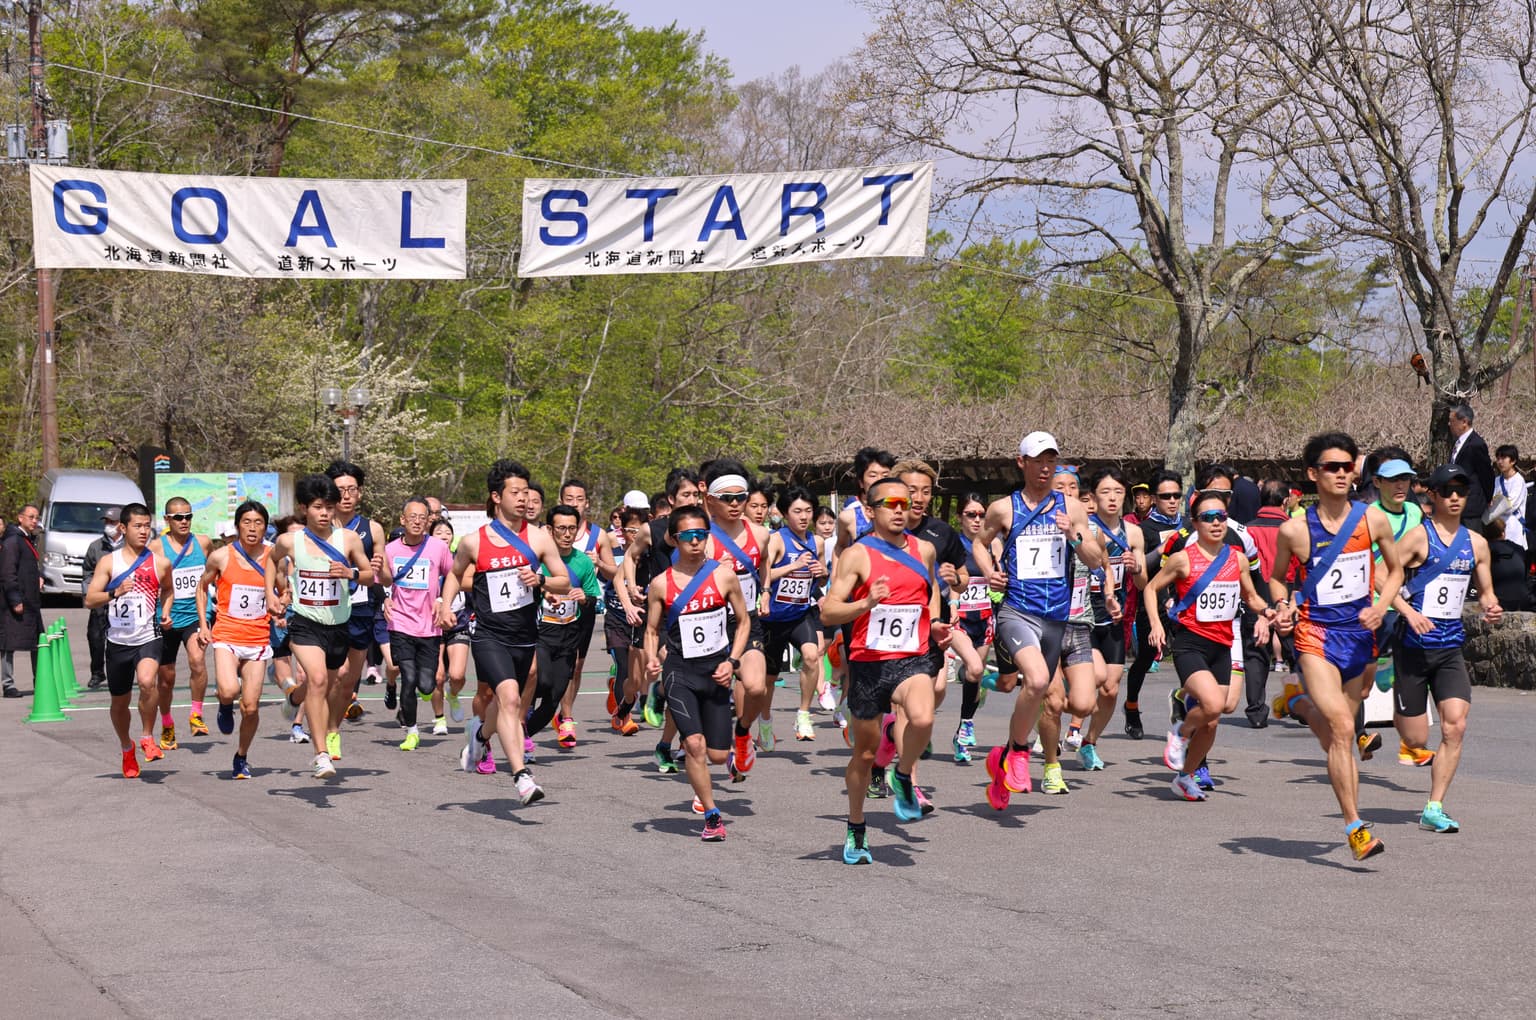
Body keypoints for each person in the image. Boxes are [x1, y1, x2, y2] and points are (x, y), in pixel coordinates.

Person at [1270, 433, 1404, 861]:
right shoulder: (1294, 529)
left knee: (1342, 726)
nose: (1343, 473)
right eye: (1333, 467)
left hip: (1359, 635)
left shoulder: (1373, 520)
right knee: (1345, 731)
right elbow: (1276, 578)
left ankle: (1297, 703)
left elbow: (1397, 570)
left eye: (1348, 466)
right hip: (1315, 635)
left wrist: (1381, 606)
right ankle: (1355, 827)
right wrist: (1281, 604)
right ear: (1313, 474)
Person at [969, 431, 1104, 809]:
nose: (1045, 467)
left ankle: (1005, 758)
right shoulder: (1003, 508)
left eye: (1051, 460)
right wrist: (989, 571)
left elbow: (1095, 559)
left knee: (1054, 694)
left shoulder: (1071, 507)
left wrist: (1074, 536)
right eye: (1037, 460)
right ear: (1022, 462)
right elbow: (980, 543)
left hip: (1057, 617)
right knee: (1040, 680)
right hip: (1017, 611)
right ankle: (1021, 753)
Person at [820, 477, 950, 864]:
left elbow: (931, 591)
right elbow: (828, 610)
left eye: (905, 502)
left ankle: (904, 774)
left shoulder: (924, 550)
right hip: (869, 662)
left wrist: (937, 621)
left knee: (924, 717)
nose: (899, 509)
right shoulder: (857, 555)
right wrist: (866, 604)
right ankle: (856, 827)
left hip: (913, 656)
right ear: (871, 509)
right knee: (864, 753)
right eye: (890, 503)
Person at [438, 460, 570, 806]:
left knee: (503, 700)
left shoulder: (539, 537)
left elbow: (563, 579)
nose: (524, 498)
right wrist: (444, 605)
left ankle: (479, 735)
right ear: (497, 497)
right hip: (487, 634)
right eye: (516, 492)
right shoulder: (474, 542)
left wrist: (540, 580)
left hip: (525, 634)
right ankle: (521, 776)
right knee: (509, 698)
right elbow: (454, 574)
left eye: (527, 492)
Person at [1144, 491, 1277, 800]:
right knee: (1213, 704)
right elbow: (1151, 588)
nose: (1216, 523)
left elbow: (1250, 595)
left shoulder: (1237, 557)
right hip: (1191, 644)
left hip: (1223, 644)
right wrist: (1154, 624)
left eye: (1221, 517)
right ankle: (1180, 731)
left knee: (1214, 718)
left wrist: (1266, 610)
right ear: (1196, 523)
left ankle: (1185, 776)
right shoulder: (1182, 559)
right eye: (1208, 518)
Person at [1390, 464, 1501, 833]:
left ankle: (1433, 807)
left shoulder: (1477, 544)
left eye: (1461, 491)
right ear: (1433, 496)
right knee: (1416, 739)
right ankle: (1393, 693)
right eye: (1447, 490)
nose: (1455, 497)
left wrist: (1491, 607)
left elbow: (1486, 593)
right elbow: (1380, 577)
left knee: (1455, 726)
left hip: (1450, 647)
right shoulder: (1417, 538)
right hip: (1412, 646)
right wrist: (1408, 611)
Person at [642, 505, 752, 841]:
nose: (695, 541)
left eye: (702, 534)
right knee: (694, 745)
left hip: (716, 671)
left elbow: (744, 622)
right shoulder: (661, 584)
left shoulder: (724, 575)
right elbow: (651, 629)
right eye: (688, 535)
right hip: (680, 673)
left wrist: (732, 662)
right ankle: (712, 814)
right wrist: (650, 658)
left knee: (717, 755)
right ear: (674, 539)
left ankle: (730, 752)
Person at [266, 474, 376, 779]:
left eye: (330, 506)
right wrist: (270, 596)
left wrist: (350, 572)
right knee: (316, 679)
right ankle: (320, 754)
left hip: (338, 623)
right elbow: (269, 561)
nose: (325, 512)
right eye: (318, 507)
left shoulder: (348, 540)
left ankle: (293, 697)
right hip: (304, 622)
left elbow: (369, 575)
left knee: (323, 684)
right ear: (304, 508)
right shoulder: (290, 541)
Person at [84, 503, 173, 778]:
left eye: (147, 525)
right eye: (138, 526)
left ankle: (147, 736)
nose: (143, 531)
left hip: (148, 635)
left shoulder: (160, 563)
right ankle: (127, 747)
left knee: (148, 681)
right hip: (118, 641)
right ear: (123, 528)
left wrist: (166, 612)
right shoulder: (109, 562)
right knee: (120, 703)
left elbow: (168, 590)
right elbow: (89, 599)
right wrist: (116, 592)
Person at [698, 460, 772, 777]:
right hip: (709, 623)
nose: (735, 504)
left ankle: (742, 732)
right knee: (708, 701)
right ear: (711, 500)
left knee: (756, 688)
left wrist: (765, 590)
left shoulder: (761, 534)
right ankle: (703, 770)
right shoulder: (702, 537)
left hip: (747, 621)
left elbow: (764, 562)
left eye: (740, 497)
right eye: (726, 498)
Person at [194, 500, 273, 780]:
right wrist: (204, 625)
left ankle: (241, 756)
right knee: (228, 690)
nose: (252, 528)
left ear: (266, 526)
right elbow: (201, 588)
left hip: (258, 638)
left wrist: (281, 604)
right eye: (247, 522)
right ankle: (224, 704)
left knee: (251, 707)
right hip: (226, 633)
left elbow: (285, 588)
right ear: (238, 526)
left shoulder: (274, 557)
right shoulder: (221, 556)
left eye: (258, 523)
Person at [1079, 469, 1147, 767]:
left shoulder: (1133, 533)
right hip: (1083, 615)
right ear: (1093, 497)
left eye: (1118, 492)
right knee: (1094, 677)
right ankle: (1059, 706)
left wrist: (1135, 568)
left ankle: (1089, 742)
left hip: (1114, 615)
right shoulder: (1084, 529)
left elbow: (1144, 584)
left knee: (1111, 687)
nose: (1112, 498)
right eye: (1105, 492)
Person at [381, 497, 454, 751]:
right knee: (409, 678)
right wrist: (385, 600)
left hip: (430, 626)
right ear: (403, 520)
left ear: (428, 520)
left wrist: (443, 600)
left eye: (422, 517)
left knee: (426, 684)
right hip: (400, 624)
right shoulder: (390, 550)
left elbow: (452, 575)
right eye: (412, 517)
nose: (417, 521)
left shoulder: (437, 548)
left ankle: (426, 692)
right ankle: (411, 731)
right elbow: (380, 580)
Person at [528, 504, 600, 754]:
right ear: (550, 530)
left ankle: (522, 735)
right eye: (561, 528)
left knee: (553, 698)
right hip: (541, 633)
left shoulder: (583, 562)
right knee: (543, 681)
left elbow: (593, 597)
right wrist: (544, 592)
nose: (567, 534)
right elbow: (525, 590)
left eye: (572, 528)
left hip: (570, 635)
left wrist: (583, 598)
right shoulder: (538, 559)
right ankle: (518, 712)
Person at [760, 486, 827, 743]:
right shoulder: (776, 540)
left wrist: (822, 573)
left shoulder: (817, 541)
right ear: (786, 514)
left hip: (800, 613)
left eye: (808, 511)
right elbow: (764, 575)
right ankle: (765, 721)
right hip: (772, 619)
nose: (803, 516)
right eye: (797, 511)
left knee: (812, 656)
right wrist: (793, 566)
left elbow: (819, 581)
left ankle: (803, 713)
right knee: (769, 678)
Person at [324, 461, 387, 723]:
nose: (347, 495)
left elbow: (383, 577)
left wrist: (379, 570)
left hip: (360, 608)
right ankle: (325, 728)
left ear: (360, 492)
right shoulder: (320, 527)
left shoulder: (373, 529)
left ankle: (333, 727)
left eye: (352, 489)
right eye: (341, 490)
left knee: (349, 680)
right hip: (326, 608)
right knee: (334, 675)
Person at [1124, 470, 1186, 737]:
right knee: (1145, 659)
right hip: (1151, 602)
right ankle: (1131, 707)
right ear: (1153, 499)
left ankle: (1184, 711)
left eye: (1176, 495)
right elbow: (1139, 569)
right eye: (1165, 496)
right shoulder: (1144, 530)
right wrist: (1159, 551)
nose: (1172, 501)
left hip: (1185, 603)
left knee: (1187, 658)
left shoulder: (1191, 526)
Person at [154, 497, 213, 748]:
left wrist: (214, 605)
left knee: (197, 661)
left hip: (196, 615)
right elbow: (151, 581)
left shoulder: (203, 543)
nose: (184, 521)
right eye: (178, 517)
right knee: (166, 678)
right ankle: (167, 723)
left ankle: (196, 714)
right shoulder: (157, 547)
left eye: (188, 516)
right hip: (167, 618)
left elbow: (212, 574)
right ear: (167, 520)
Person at [951, 492, 998, 762]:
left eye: (982, 515)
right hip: (959, 619)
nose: (977, 520)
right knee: (975, 668)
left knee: (974, 677)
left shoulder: (993, 544)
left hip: (984, 618)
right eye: (971, 514)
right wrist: (953, 603)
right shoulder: (953, 546)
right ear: (960, 518)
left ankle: (962, 732)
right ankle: (965, 724)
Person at [1, 503, 44, 698]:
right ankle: (7, 683)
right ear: (20, 518)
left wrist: (38, 576)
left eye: (36, 517)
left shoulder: (28, 540)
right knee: (8, 643)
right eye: (31, 517)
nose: (34, 521)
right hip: (16, 602)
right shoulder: (13, 541)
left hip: (31, 600)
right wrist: (15, 599)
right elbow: (8, 573)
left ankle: (41, 680)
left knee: (38, 641)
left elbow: (28, 566)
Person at [82, 508, 124, 689]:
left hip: (125, 600)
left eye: (112, 522)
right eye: (106, 522)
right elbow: (87, 572)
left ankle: (124, 670)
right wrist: (89, 595)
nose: (109, 526)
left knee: (123, 637)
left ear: (122, 525)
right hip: (101, 599)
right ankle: (97, 673)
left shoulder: (130, 546)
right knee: (95, 637)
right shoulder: (96, 547)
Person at [1448, 403, 1495, 523]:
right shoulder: (1457, 443)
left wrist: (1487, 498)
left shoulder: (1476, 444)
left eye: (1452, 421)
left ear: (1464, 422)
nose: (1449, 424)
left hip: (1471, 507)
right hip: (1456, 502)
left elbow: (1486, 474)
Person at [1492, 445, 1527, 551]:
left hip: (1513, 528)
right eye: (1498, 458)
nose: (1500, 462)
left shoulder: (1518, 481)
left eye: (1503, 458)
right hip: (1498, 529)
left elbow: (1509, 506)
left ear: (1513, 461)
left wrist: (1495, 504)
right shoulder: (1497, 481)